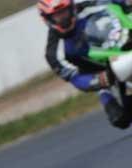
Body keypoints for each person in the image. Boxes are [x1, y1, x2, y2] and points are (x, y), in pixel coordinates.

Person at [39, 0, 132, 128]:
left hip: (117, 46)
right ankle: (107, 97)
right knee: (121, 119)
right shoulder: (55, 53)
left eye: (65, 11)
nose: (63, 17)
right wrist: (98, 80)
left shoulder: (89, 7)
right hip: (100, 72)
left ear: (72, 8)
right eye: (58, 15)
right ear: (47, 19)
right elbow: (75, 77)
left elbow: (116, 4)